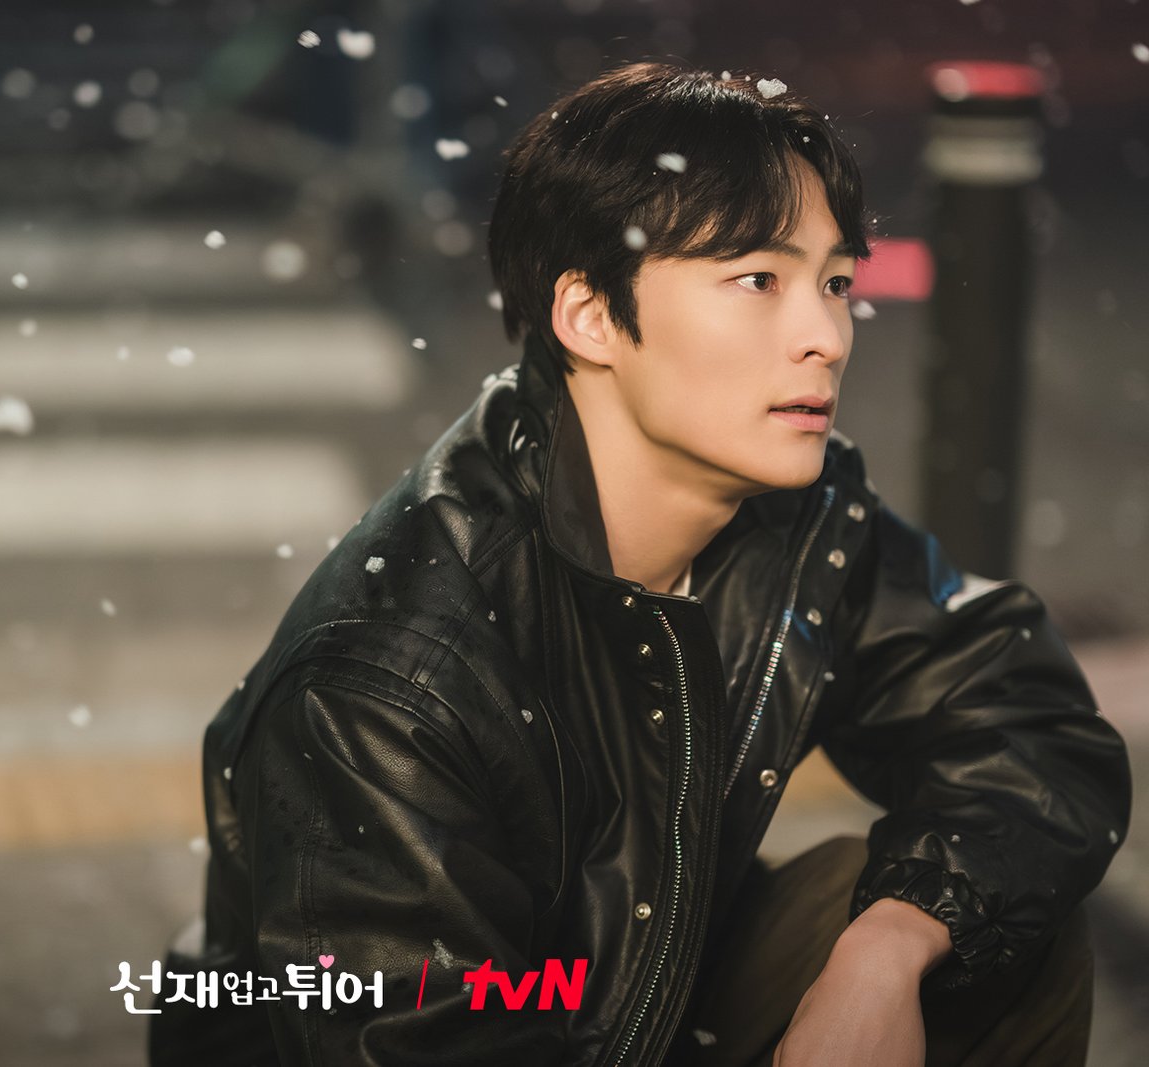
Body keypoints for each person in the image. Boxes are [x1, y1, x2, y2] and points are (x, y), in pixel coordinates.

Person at [147, 61, 1132, 1066]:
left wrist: (887, 948)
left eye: (835, 282)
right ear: (588, 316)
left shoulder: (792, 517)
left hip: (639, 998)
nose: (826, 336)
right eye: (758, 280)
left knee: (977, 931)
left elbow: (1026, 723)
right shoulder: (387, 682)